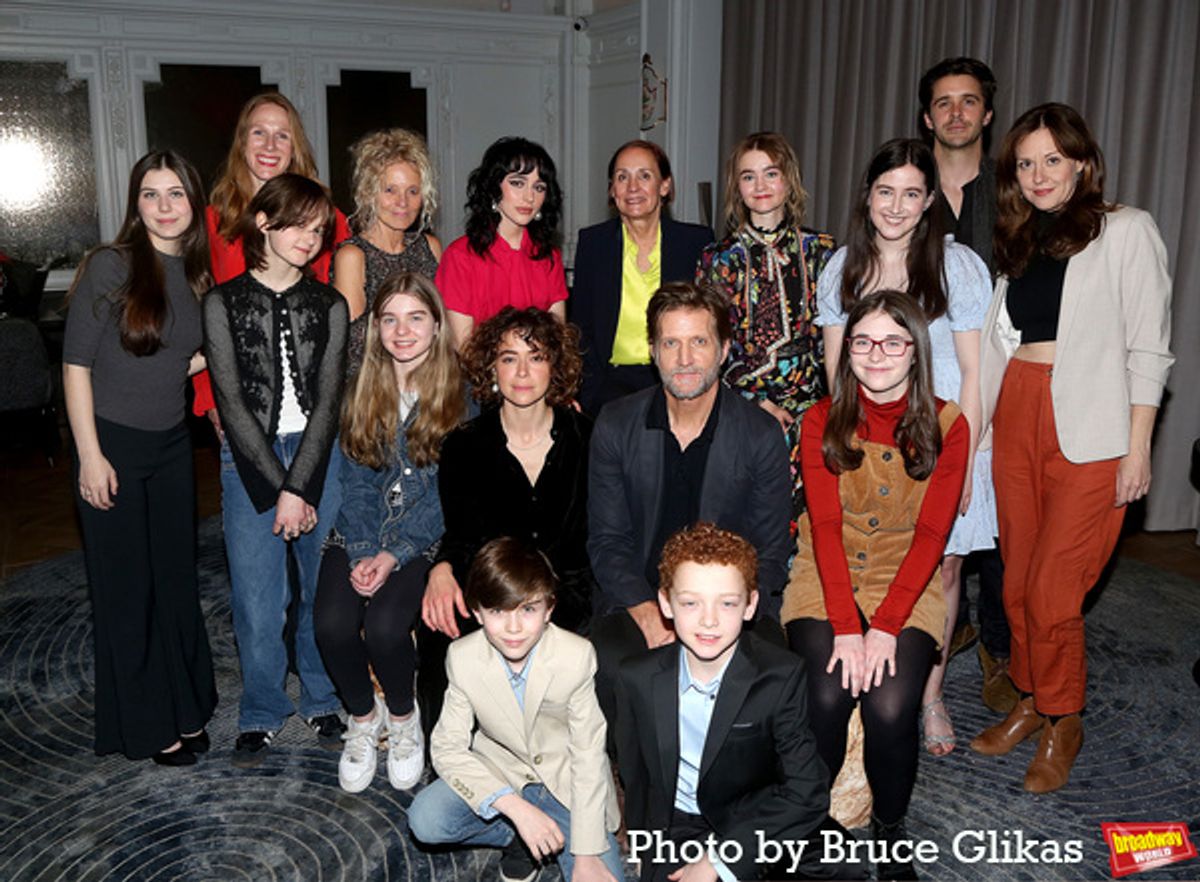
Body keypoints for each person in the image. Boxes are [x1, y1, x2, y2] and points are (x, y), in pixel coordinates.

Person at [971, 103, 1174, 793]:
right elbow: (1004, 343)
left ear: (1082, 161)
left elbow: (1149, 347)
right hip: (1019, 414)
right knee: (1019, 578)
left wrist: (1139, 447)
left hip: (1092, 425)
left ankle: (1064, 717)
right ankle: (1031, 697)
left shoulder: (1126, 230)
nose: (1038, 175)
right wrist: (986, 432)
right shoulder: (1022, 239)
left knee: (1056, 587)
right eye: (1025, 163)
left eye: (1052, 159)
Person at [816, 138, 993, 756]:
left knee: (945, 566)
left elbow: (974, 373)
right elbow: (838, 372)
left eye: (912, 193)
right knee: (868, 550)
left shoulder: (957, 265)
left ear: (929, 202)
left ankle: (931, 692)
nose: (896, 206)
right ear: (867, 197)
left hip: (942, 438)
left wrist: (965, 457)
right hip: (865, 441)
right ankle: (868, 659)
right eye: (885, 191)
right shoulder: (842, 268)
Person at [784, 290, 969, 880]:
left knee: (891, 707)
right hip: (826, 570)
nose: (876, 354)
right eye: (862, 341)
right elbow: (827, 528)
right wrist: (846, 628)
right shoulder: (820, 419)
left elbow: (932, 538)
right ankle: (807, 826)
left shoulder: (949, 425)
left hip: (903, 577)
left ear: (916, 351)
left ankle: (892, 831)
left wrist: (885, 628)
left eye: (893, 342)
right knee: (828, 692)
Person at [63, 150, 217, 766]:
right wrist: (90, 456)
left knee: (175, 585)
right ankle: (149, 722)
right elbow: (74, 367)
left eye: (175, 193)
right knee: (129, 593)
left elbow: (185, 351)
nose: (163, 206)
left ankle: (184, 704)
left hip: (174, 448)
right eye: (150, 195)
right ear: (136, 204)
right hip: (114, 445)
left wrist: (195, 364)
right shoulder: (111, 265)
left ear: (193, 202)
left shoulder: (197, 277)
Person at [587, 281, 792, 730]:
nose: (683, 359)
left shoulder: (759, 434)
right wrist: (649, 613)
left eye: (698, 342)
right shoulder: (616, 424)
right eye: (670, 343)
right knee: (608, 663)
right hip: (639, 596)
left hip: (728, 604)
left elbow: (770, 553)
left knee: (771, 677)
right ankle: (628, 788)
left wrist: (713, 620)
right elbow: (607, 542)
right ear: (653, 351)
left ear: (722, 350)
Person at [616, 522, 859, 882]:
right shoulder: (635, 678)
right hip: (679, 825)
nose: (709, 620)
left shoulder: (780, 675)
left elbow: (807, 791)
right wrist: (644, 847)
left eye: (727, 603)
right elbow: (635, 774)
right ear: (666, 603)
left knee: (845, 861)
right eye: (690, 602)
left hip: (756, 816)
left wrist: (720, 859)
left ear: (750, 605)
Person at [203, 173, 349, 767]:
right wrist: (280, 488)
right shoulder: (222, 302)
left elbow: (331, 400)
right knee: (259, 598)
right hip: (248, 460)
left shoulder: (331, 303)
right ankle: (262, 709)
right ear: (263, 222)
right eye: (298, 225)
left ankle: (320, 697)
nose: (310, 239)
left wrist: (303, 483)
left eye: (318, 230)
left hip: (320, 457)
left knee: (322, 591)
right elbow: (231, 403)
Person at [314, 272, 469, 793]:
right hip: (359, 530)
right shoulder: (363, 386)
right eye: (390, 319)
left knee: (384, 627)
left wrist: (394, 555)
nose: (402, 331)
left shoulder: (459, 393)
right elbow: (354, 481)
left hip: (424, 539)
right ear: (377, 328)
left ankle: (403, 719)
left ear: (435, 324)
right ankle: (364, 717)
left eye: (415, 318)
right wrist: (362, 551)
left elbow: (449, 495)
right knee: (331, 625)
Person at [407, 537, 624, 882]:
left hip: (566, 785)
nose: (513, 628)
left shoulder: (576, 656)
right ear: (477, 612)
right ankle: (518, 836)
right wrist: (516, 809)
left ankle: (555, 837)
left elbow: (587, 755)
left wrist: (584, 853)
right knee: (426, 820)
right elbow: (446, 748)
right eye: (497, 612)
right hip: (500, 773)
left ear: (549, 608)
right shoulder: (462, 657)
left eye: (527, 609)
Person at [419, 307, 593, 735]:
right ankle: (449, 762)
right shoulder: (463, 446)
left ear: (555, 366)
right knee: (437, 632)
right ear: (491, 368)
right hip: (494, 590)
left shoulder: (587, 438)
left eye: (536, 357)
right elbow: (462, 534)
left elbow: (597, 537)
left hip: (567, 595)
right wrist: (442, 567)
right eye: (509, 357)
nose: (522, 371)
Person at [918, 55, 1015, 713]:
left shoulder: (1015, 193)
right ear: (928, 117)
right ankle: (927, 660)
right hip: (919, 378)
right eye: (944, 102)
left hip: (1002, 372)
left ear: (986, 113)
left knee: (1001, 532)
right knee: (927, 541)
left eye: (968, 101)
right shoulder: (904, 185)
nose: (956, 112)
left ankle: (999, 653)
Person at [696, 131, 836, 520]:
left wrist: (833, 405)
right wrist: (756, 403)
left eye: (770, 173)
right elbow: (710, 342)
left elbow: (834, 338)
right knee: (752, 516)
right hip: (744, 402)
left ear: (788, 180)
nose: (760, 186)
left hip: (813, 404)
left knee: (814, 519)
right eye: (748, 176)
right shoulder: (719, 258)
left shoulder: (822, 250)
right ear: (736, 186)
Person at [193, 92, 352, 428]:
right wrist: (210, 398)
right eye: (259, 132)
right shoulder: (212, 222)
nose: (270, 145)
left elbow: (342, 313)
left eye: (282, 135)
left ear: (295, 147)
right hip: (237, 392)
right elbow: (200, 314)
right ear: (241, 142)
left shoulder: (330, 221)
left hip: (311, 394)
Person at [572, 139, 713, 414]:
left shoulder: (695, 242)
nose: (632, 187)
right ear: (612, 190)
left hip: (676, 382)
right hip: (608, 389)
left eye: (644, 176)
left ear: (664, 186)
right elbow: (581, 329)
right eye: (622, 177)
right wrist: (584, 393)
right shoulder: (593, 243)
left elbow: (710, 324)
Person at [435, 137, 567, 348]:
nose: (529, 197)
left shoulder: (549, 256)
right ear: (493, 187)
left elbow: (557, 339)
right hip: (478, 377)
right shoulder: (460, 256)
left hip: (538, 375)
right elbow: (463, 346)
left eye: (539, 187)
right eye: (517, 183)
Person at [333, 128, 442, 373]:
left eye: (412, 191)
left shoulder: (430, 247)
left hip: (430, 382)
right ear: (369, 193)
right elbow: (353, 349)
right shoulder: (353, 256)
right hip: (374, 391)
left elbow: (441, 329)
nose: (402, 202)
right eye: (390, 190)